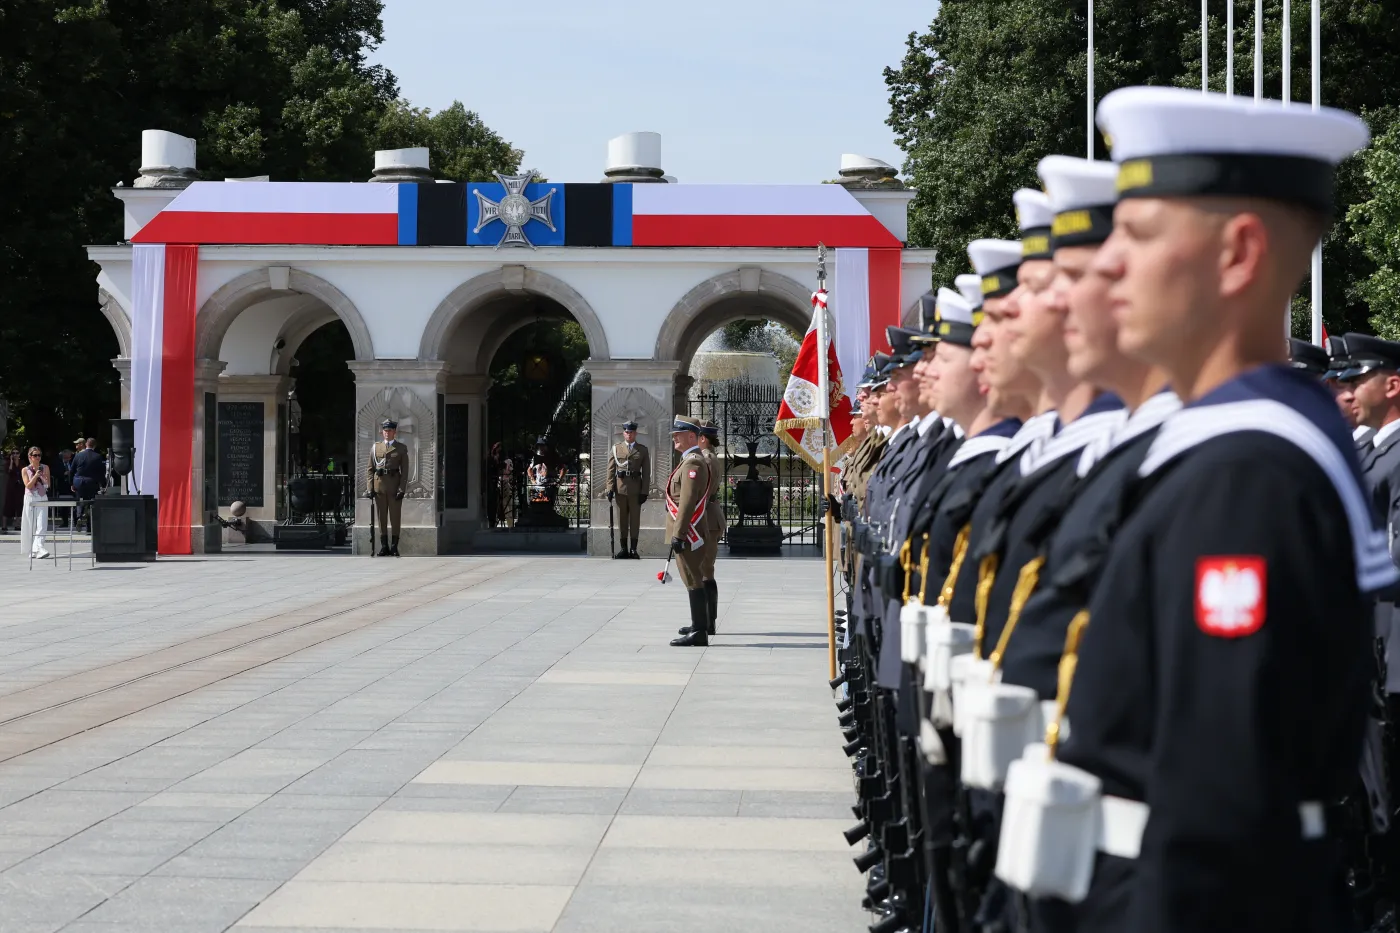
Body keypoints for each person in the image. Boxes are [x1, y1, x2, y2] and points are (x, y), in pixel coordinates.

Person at [1044, 86, 1379, 933]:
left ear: (1239, 254)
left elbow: (1220, 814)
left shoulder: (1247, 474)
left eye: (1141, 235)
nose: (1107, 265)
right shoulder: (1227, 454)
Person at [665, 417, 713, 647]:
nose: (674, 437)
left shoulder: (692, 463)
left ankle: (699, 631)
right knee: (692, 578)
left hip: (689, 531)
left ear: (692, 436)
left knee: (693, 579)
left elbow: (686, 501)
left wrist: (679, 533)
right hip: (688, 529)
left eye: (678, 433)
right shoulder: (689, 460)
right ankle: (698, 626)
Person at [677, 419, 722, 637]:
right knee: (705, 571)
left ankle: (706, 623)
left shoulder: (705, 459)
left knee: (704, 571)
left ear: (701, 438)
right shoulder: (708, 457)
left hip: (707, 517)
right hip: (709, 514)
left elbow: (700, 491)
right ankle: (704, 621)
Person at [605, 420, 650, 558]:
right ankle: (624, 548)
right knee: (622, 520)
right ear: (623, 433)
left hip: (636, 490)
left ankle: (633, 549)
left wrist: (644, 491)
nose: (628, 434)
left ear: (635, 433)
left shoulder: (642, 450)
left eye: (631, 432)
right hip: (620, 489)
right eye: (626, 432)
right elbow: (611, 470)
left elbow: (646, 472)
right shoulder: (616, 448)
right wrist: (609, 488)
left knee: (635, 520)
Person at [365, 419, 408, 556]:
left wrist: (402, 489)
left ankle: (394, 546)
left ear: (394, 432)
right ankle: (384, 546)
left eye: (389, 430)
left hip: (394, 487)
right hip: (380, 488)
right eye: (385, 430)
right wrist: (370, 488)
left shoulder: (401, 448)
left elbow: (405, 471)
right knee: (381, 517)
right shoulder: (376, 447)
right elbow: (370, 469)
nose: (387, 433)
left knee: (395, 518)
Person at [20, 446, 51, 559]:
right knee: (31, 524)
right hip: (30, 498)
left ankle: (39, 548)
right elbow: (28, 485)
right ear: (30, 457)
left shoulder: (45, 467)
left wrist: (43, 478)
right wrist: (35, 476)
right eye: (35, 455)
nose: (37, 457)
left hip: (42, 497)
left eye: (39, 455)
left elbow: (48, 485)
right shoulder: (25, 470)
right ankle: (33, 550)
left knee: (42, 524)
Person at [70, 438, 106, 530]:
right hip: (91, 482)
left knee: (80, 500)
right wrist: (103, 484)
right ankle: (89, 526)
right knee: (91, 502)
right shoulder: (97, 456)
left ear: (86, 444)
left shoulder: (78, 456)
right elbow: (101, 472)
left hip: (78, 482)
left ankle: (79, 516)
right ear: (95, 446)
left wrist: (72, 483)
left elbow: (72, 470)